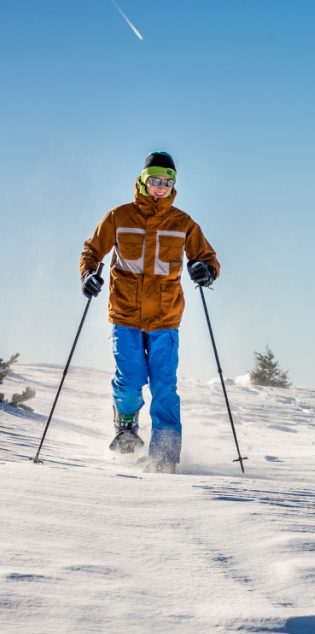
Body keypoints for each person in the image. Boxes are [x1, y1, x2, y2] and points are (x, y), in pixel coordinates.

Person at [80, 151, 220, 473]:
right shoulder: (119, 216)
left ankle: (165, 456)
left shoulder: (183, 223)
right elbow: (92, 250)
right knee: (129, 381)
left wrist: (206, 270)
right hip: (126, 313)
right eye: (155, 180)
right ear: (143, 180)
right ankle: (126, 425)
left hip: (165, 318)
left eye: (167, 182)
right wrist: (89, 274)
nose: (160, 187)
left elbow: (207, 257)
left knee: (163, 386)